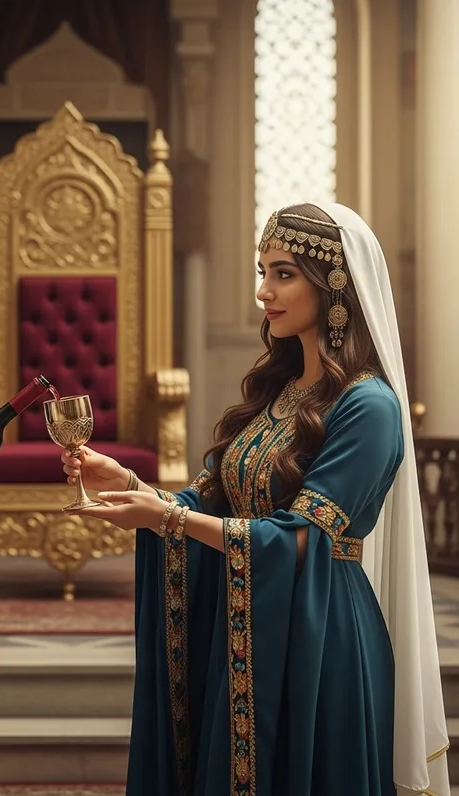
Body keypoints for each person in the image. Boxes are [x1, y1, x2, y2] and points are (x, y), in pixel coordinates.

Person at [62, 203, 449, 795]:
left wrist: (166, 517)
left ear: (334, 284)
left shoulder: (369, 407)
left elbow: (301, 538)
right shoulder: (282, 389)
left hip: (320, 635)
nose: (263, 290)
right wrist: (132, 486)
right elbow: (220, 501)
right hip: (245, 618)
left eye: (283, 273)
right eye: (261, 270)